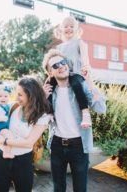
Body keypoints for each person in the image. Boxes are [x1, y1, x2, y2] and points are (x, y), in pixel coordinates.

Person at [42, 49, 106, 192]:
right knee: (58, 187)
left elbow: (101, 108)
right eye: (55, 65)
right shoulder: (50, 92)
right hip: (57, 145)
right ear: (50, 73)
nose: (61, 66)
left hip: (79, 146)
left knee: (80, 188)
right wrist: (42, 98)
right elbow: (38, 117)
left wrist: (90, 82)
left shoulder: (80, 85)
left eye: (62, 62)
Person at [0, 77, 52, 192]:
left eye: (20, 95)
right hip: (1, 157)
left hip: (23, 161)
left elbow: (28, 143)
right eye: (16, 93)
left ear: (31, 96)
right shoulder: (13, 107)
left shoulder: (43, 116)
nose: (16, 97)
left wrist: (4, 141)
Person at [53, 16, 92, 128]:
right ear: (61, 30)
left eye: (72, 26)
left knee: (75, 83)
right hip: (62, 74)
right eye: (66, 26)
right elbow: (55, 62)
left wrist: (86, 67)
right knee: (50, 84)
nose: (69, 28)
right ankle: (49, 112)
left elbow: (85, 58)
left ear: (76, 29)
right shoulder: (59, 47)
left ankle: (85, 112)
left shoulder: (79, 42)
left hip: (76, 73)